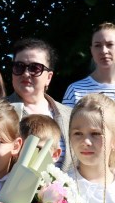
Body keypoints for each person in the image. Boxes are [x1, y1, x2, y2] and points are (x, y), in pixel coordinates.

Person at [7, 38, 73, 170]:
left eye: (35, 68)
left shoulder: (70, 115)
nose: (26, 73)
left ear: (49, 77)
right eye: (19, 66)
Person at [63, 22, 115, 105]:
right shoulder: (75, 90)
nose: (104, 51)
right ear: (92, 50)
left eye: (110, 44)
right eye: (98, 45)